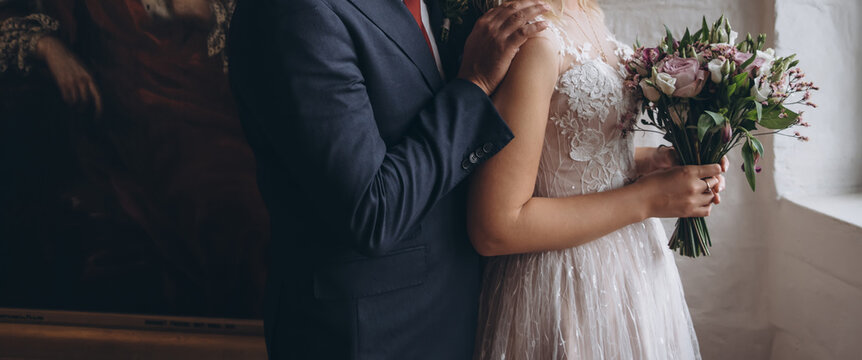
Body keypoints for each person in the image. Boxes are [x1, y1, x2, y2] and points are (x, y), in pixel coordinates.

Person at [227, 0, 553, 358]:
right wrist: (474, 84)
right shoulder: (294, 12)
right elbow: (371, 210)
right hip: (369, 333)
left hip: (460, 313)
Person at [468, 1, 728, 359]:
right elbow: (496, 226)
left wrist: (652, 162)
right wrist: (648, 199)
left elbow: (558, 153)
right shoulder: (534, 35)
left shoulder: (589, 13)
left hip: (632, 273)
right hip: (565, 284)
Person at [0, 0, 268, 318]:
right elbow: (15, 16)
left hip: (224, 106)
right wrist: (52, 50)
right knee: (240, 208)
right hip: (139, 123)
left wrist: (206, 13)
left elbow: (271, 28)